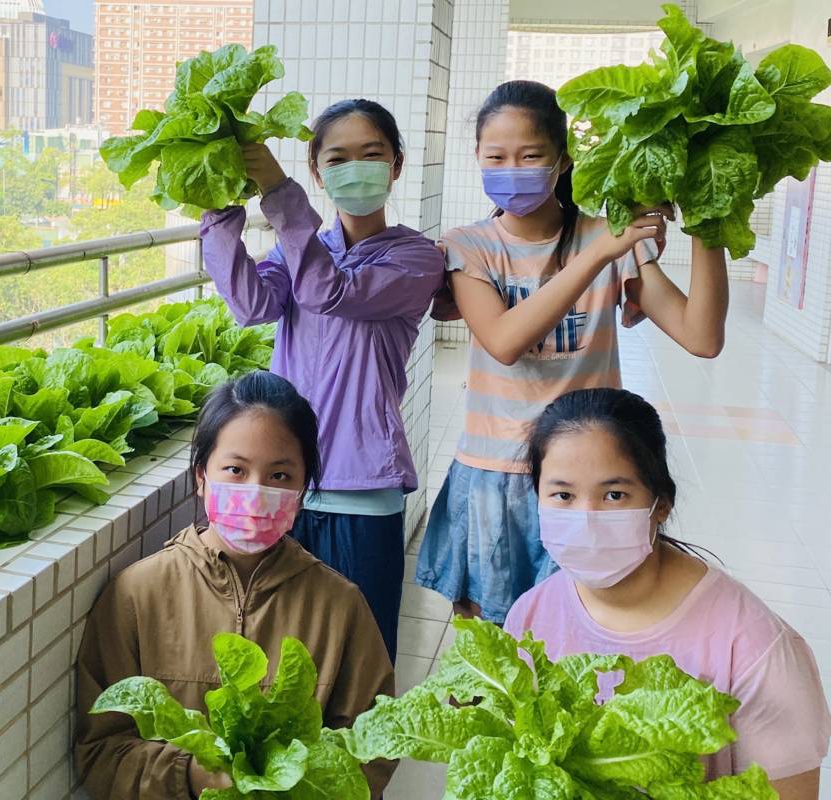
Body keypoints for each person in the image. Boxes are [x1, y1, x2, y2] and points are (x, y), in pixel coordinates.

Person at [416, 80, 731, 624]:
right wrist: (596, 256)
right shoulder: (469, 246)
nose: (512, 168)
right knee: (490, 645)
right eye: (496, 157)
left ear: (562, 161)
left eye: (530, 155)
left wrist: (709, 221)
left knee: (580, 633)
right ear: (477, 159)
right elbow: (505, 341)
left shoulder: (608, 238)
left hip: (588, 479)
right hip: (495, 471)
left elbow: (701, 337)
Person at [200, 99, 447, 661]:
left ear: (396, 165)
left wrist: (280, 192)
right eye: (337, 158)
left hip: (362, 490)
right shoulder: (301, 250)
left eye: (371, 154)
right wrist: (220, 203)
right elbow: (249, 303)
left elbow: (330, 292)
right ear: (319, 171)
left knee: (357, 651)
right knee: (276, 646)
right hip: (281, 483)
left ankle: (362, 753)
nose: (354, 168)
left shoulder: (415, 258)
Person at [74, 371, 396, 800]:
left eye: (280, 476)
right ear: (200, 477)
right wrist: (190, 776)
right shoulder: (135, 595)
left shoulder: (340, 606)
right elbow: (101, 753)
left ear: (304, 488)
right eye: (235, 469)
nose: (256, 491)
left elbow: (371, 750)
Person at [504, 388, 830, 798]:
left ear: (661, 503)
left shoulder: (755, 647)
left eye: (614, 495)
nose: (585, 519)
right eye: (563, 495)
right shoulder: (530, 617)